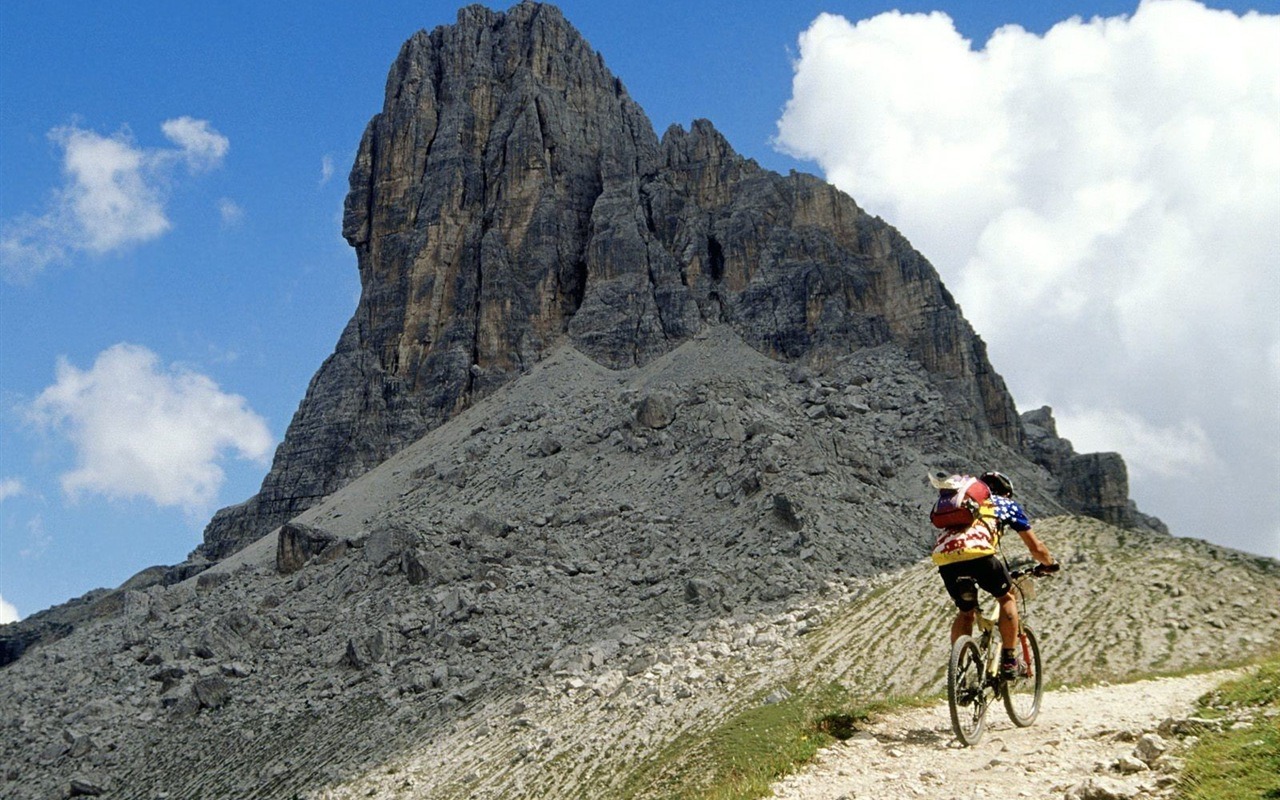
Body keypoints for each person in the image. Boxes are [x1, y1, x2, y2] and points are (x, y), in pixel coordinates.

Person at [931, 471, 1059, 679]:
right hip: (980, 557)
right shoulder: (1005, 505)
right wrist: (1049, 564)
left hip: (947, 560)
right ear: (1007, 493)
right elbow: (1036, 548)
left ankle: (958, 671)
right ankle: (1009, 661)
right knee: (1007, 597)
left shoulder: (964, 503)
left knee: (966, 612)